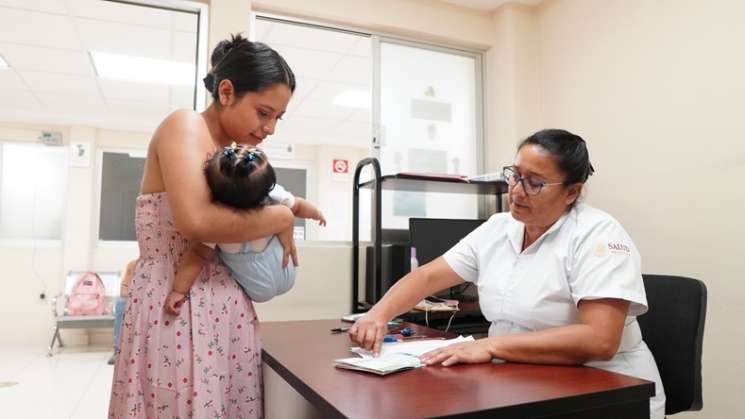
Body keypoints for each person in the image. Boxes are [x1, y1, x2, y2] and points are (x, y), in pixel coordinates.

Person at [350, 129, 666, 419]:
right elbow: (429, 276)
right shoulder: (499, 227)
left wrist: (489, 346)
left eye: (535, 183)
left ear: (571, 192)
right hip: (523, 377)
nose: (516, 190)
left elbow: (599, 340)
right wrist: (378, 314)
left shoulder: (596, 234)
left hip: (607, 388)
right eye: (515, 176)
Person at [108, 34, 297, 419]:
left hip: (226, 315)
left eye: (278, 117)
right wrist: (281, 217)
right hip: (174, 307)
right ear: (226, 92)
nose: (270, 128)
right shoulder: (185, 125)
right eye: (264, 113)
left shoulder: (236, 158)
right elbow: (196, 221)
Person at [164, 144, 326, 315]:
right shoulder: (224, 221)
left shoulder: (223, 221)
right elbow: (298, 205)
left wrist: (178, 291)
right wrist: (316, 213)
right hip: (271, 278)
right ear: (268, 186)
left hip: (269, 278)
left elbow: (197, 255)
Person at [108, 258, 138, 365]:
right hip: (135, 299)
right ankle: (118, 349)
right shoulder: (133, 264)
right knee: (121, 303)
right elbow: (123, 291)